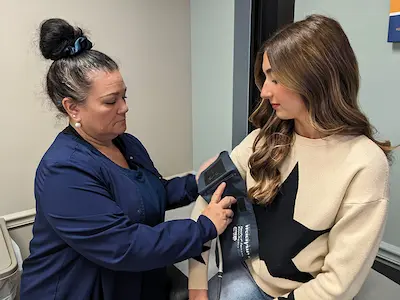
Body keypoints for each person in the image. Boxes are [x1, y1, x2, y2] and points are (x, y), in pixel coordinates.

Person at [20, 18, 236, 300]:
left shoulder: (125, 143)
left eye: (124, 96)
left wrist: (199, 181)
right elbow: (124, 245)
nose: (125, 107)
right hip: (79, 289)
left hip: (135, 280)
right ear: (73, 108)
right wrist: (203, 228)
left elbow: (150, 193)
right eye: (111, 101)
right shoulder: (63, 171)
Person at [188, 14, 397, 300]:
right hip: (246, 276)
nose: (264, 91)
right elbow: (206, 197)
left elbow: (338, 283)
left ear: (314, 76)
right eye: (265, 77)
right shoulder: (262, 140)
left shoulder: (364, 164)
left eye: (275, 78)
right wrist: (197, 285)